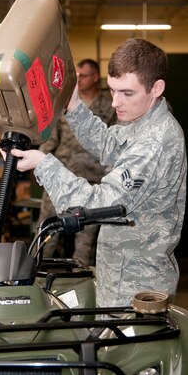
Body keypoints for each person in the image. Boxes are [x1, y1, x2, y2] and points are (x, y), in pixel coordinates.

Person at [9, 38, 187, 307]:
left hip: (137, 285)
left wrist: (44, 164)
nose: (116, 102)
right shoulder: (142, 121)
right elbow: (108, 144)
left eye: (127, 93)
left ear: (157, 88)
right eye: (113, 91)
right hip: (121, 272)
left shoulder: (156, 142)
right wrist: (75, 107)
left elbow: (100, 204)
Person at [37, 58, 115, 264]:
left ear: (96, 77)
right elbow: (51, 138)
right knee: (46, 233)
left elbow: (113, 142)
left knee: (85, 240)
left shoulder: (111, 105)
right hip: (60, 174)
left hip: (92, 179)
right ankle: (34, 280)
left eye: (84, 75)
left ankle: (80, 286)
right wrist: (41, 161)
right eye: (77, 75)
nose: (78, 79)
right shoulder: (65, 102)